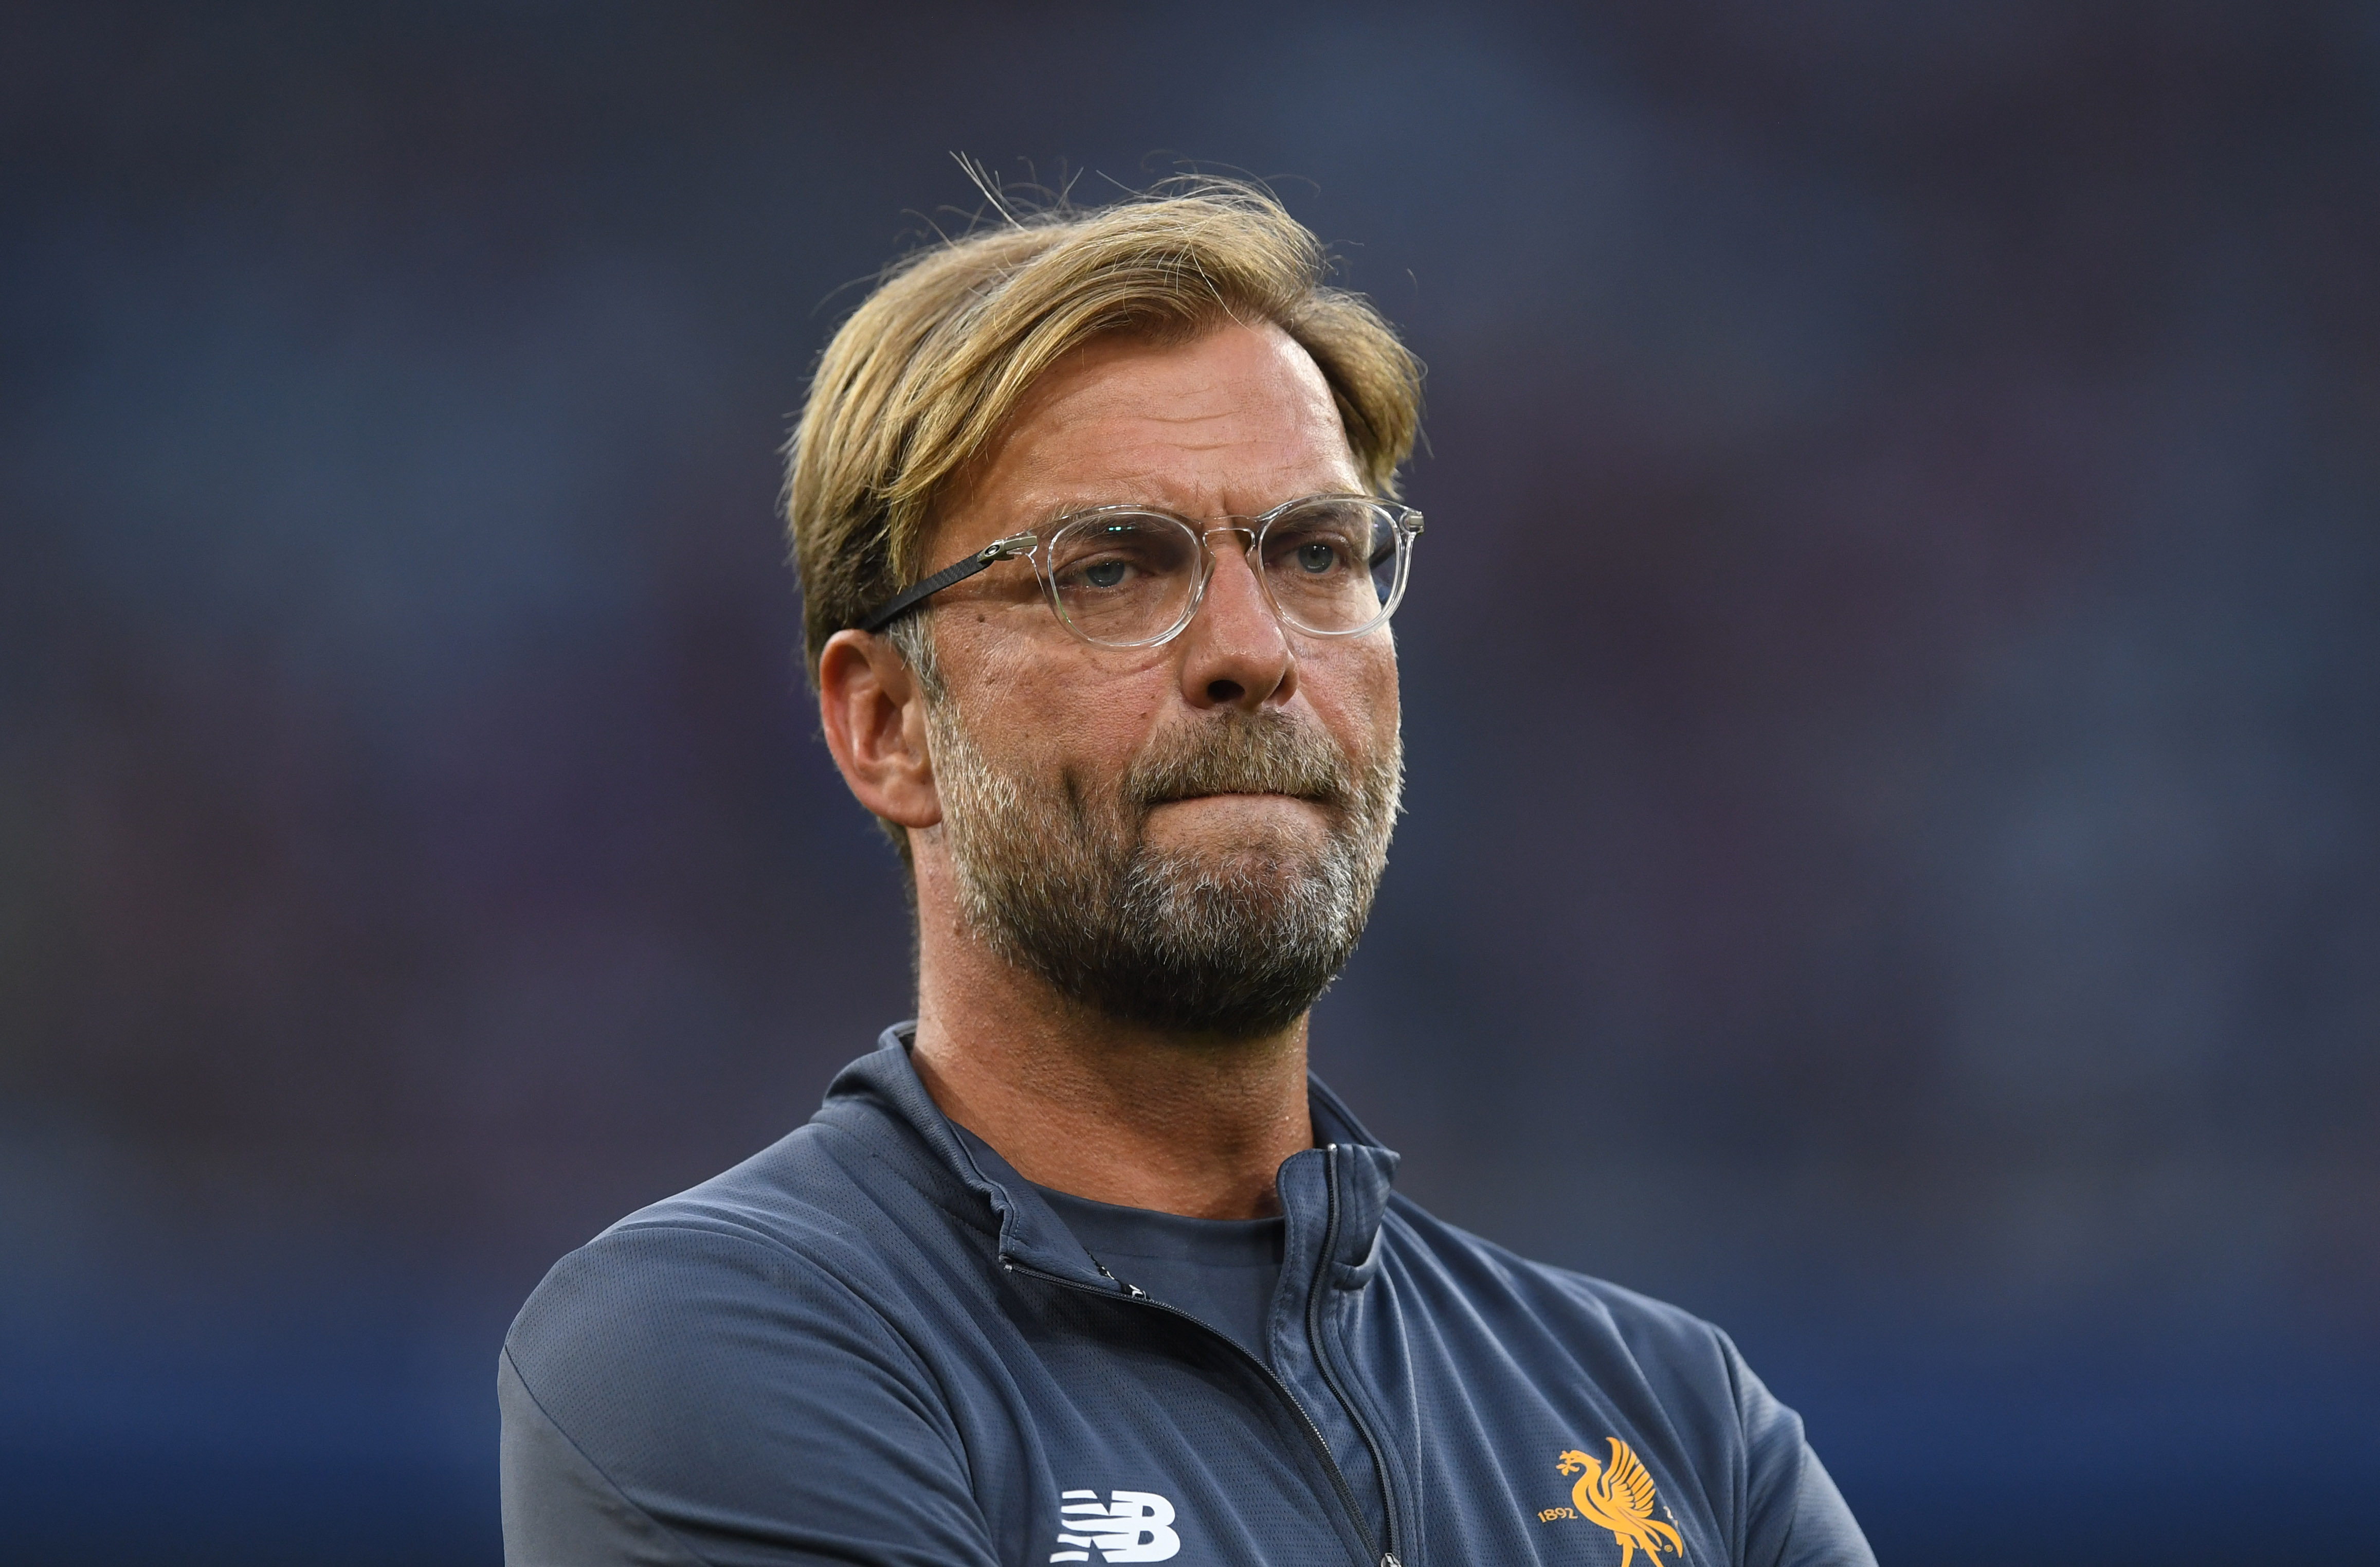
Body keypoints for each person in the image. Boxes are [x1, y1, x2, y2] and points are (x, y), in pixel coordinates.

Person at [498, 181, 1875, 1567]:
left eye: (1317, 554)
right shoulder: (709, 1341)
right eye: (1111, 569)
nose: (1254, 651)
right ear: (888, 726)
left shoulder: (1679, 1425)